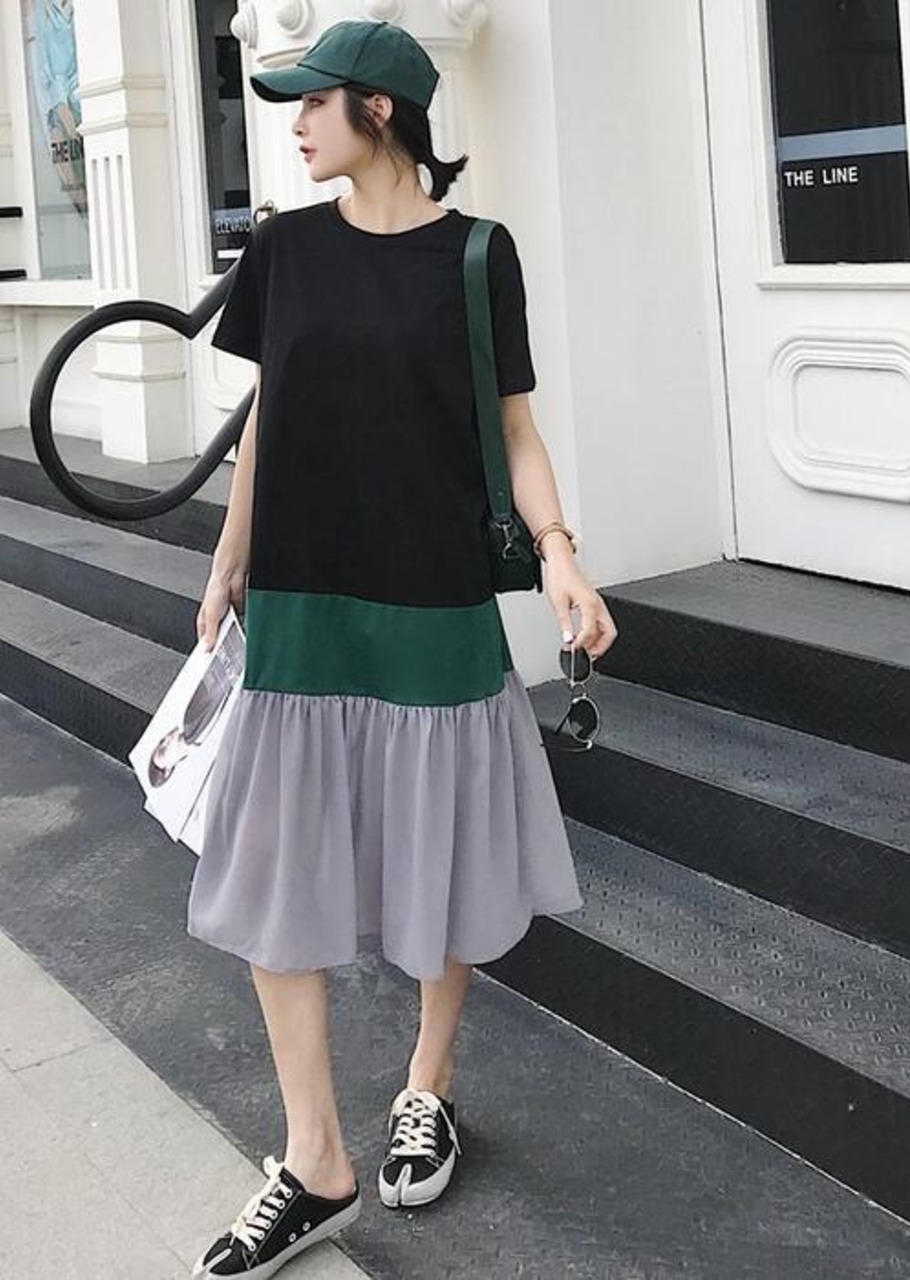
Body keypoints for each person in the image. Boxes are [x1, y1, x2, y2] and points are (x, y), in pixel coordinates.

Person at [186, 19, 617, 1278]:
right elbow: (266, 418)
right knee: (276, 866)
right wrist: (225, 564)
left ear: (378, 110)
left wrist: (558, 552)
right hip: (303, 597)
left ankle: (426, 1082)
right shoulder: (282, 249)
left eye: (311, 102)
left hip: (433, 598)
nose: (292, 124)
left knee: (440, 852)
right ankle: (314, 1155)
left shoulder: (477, 255)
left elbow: (513, 426)